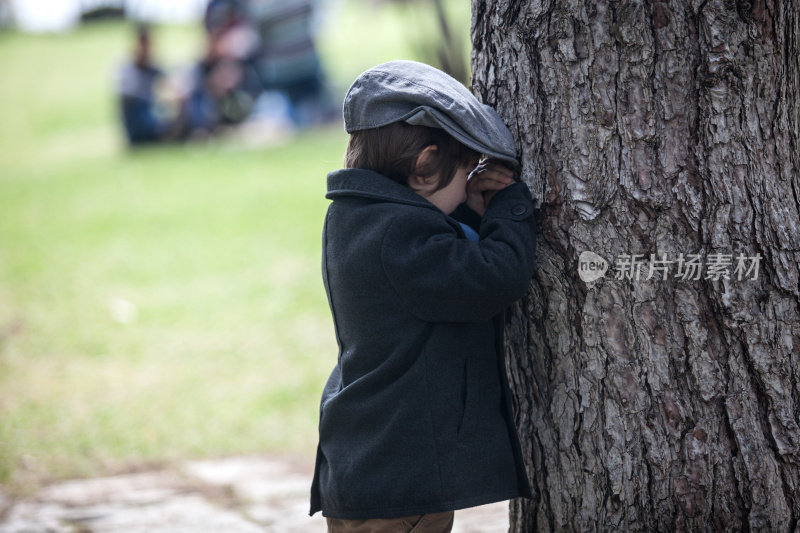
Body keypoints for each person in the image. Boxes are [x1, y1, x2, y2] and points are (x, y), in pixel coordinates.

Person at [309, 60, 537, 532]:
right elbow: (490, 278)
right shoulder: (401, 235)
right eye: (464, 173)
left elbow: (437, 276)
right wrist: (509, 209)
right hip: (399, 483)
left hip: (369, 465)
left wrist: (471, 218)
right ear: (425, 166)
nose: (469, 186)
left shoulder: (360, 218)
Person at [116, 24, 168, 145]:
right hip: (136, 122)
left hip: (152, 116)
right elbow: (129, 95)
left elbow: (170, 81)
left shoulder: (153, 68)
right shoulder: (127, 69)